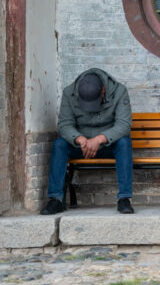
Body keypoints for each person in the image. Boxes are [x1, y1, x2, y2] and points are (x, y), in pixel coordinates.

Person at [40, 68, 134, 215]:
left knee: (124, 143)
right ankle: (56, 199)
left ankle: (124, 199)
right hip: (81, 146)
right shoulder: (68, 93)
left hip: (107, 145)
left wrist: (99, 139)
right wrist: (79, 139)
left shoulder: (119, 91)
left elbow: (124, 125)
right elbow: (64, 124)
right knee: (59, 144)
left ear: (103, 90)